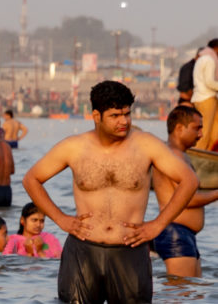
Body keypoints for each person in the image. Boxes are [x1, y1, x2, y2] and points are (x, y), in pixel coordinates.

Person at [23, 80, 199, 303]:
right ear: (96, 116)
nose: (124, 121)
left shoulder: (146, 145)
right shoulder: (74, 147)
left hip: (129, 251)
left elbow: (189, 181)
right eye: (115, 115)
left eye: (127, 114)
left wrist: (158, 225)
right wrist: (61, 219)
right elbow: (31, 179)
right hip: (83, 251)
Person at [152, 104, 218, 277]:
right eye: (197, 128)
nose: (201, 134)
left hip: (185, 235)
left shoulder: (181, 155)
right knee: (179, 297)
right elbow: (186, 199)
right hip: (175, 233)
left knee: (192, 295)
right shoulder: (172, 156)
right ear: (179, 128)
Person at [192, 39, 218, 150]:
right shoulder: (209, 60)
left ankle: (211, 153)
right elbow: (209, 82)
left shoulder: (203, 58)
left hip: (203, 97)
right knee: (205, 131)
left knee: (214, 130)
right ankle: (200, 154)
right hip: (206, 98)